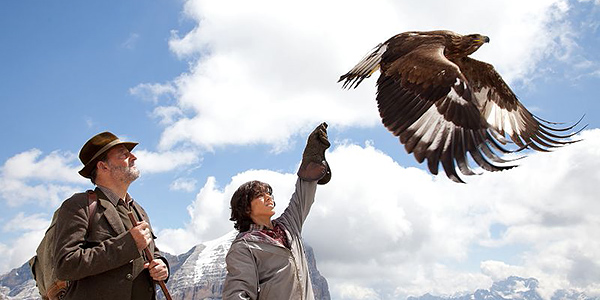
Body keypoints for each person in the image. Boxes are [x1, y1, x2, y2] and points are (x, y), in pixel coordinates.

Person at [53, 131, 169, 300]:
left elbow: (153, 252)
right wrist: (128, 244)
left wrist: (162, 266)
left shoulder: (139, 210)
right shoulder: (79, 205)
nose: (134, 157)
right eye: (124, 154)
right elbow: (66, 265)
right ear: (103, 166)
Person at [223, 122, 331, 300]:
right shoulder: (244, 247)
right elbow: (238, 292)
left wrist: (312, 158)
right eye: (260, 195)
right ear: (245, 206)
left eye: (269, 193)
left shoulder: (289, 226)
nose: (268, 197)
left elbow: (302, 196)